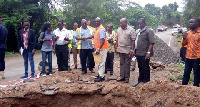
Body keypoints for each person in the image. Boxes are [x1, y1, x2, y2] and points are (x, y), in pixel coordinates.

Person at [132, 18, 155, 87]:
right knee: (140, 67)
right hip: (138, 53)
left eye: (141, 23)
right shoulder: (139, 31)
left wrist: (148, 52)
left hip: (144, 53)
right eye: (138, 24)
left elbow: (151, 42)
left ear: (144, 23)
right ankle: (140, 81)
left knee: (145, 68)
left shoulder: (148, 31)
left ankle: (146, 83)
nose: (139, 25)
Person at [84, 17, 109, 82]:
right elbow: (93, 36)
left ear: (100, 22)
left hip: (102, 48)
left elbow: (102, 40)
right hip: (97, 48)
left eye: (97, 21)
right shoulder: (96, 29)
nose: (96, 22)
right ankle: (99, 74)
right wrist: (85, 38)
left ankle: (101, 77)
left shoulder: (101, 29)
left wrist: (98, 49)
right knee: (98, 62)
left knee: (102, 62)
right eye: (95, 21)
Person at [115, 18, 135, 83]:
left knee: (127, 64)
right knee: (121, 63)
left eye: (121, 23)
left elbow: (133, 41)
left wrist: (132, 50)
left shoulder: (131, 30)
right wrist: (116, 47)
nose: (120, 24)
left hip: (127, 49)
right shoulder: (118, 29)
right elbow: (117, 38)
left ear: (125, 23)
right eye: (120, 23)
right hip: (120, 49)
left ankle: (126, 77)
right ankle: (121, 76)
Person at [182, 17, 200, 87]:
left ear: (197, 23)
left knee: (197, 74)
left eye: (192, 22)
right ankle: (183, 87)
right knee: (186, 73)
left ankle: (195, 89)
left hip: (197, 58)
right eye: (190, 22)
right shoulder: (188, 33)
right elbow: (183, 44)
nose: (190, 24)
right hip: (188, 57)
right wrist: (184, 38)